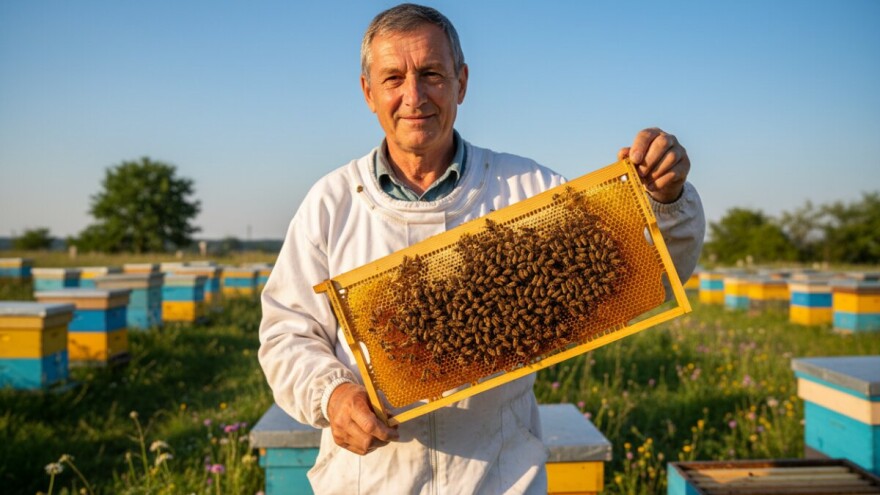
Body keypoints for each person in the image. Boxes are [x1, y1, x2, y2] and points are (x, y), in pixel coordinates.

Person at [259, 3, 705, 493]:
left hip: (500, 479)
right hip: (370, 481)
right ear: (369, 92)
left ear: (462, 82)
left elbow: (643, 271)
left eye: (431, 74)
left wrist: (665, 199)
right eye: (393, 79)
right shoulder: (330, 203)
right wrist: (334, 396)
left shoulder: (528, 189)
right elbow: (286, 333)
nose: (414, 96)